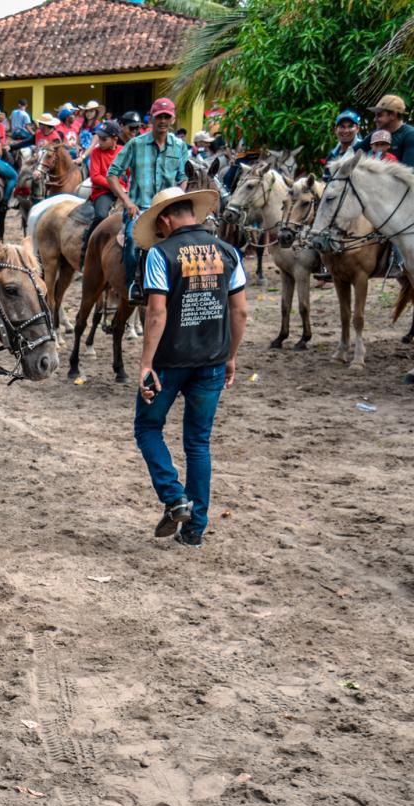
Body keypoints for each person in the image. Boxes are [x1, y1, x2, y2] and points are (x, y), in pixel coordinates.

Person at [132, 186, 247, 548]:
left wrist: (146, 362)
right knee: (198, 443)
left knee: (148, 428)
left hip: (168, 362)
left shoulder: (160, 254)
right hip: (212, 360)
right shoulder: (228, 251)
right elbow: (240, 310)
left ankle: (173, 496)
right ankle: (195, 529)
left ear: (165, 219)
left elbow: (157, 311)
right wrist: (231, 355)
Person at [107, 98, 191, 304]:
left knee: (191, 241)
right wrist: (127, 202)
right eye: (159, 117)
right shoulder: (135, 144)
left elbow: (183, 176)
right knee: (133, 241)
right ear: (151, 119)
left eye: (167, 117)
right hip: (140, 208)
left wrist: (178, 196)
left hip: (168, 208)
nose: (163, 120)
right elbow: (112, 174)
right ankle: (134, 284)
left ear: (173, 119)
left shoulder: (179, 147)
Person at [79, 121, 124, 258]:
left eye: (104, 139)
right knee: (101, 216)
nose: (100, 141)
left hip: (123, 191)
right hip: (103, 191)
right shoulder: (96, 152)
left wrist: (126, 187)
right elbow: (95, 176)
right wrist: (115, 186)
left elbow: (130, 172)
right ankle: (86, 247)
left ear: (115, 139)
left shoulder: (123, 151)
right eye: (99, 137)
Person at [359, 95, 414, 166]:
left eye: (379, 115)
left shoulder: (410, 135)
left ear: (393, 115)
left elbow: (409, 171)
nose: (374, 119)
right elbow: (355, 150)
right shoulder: (378, 134)